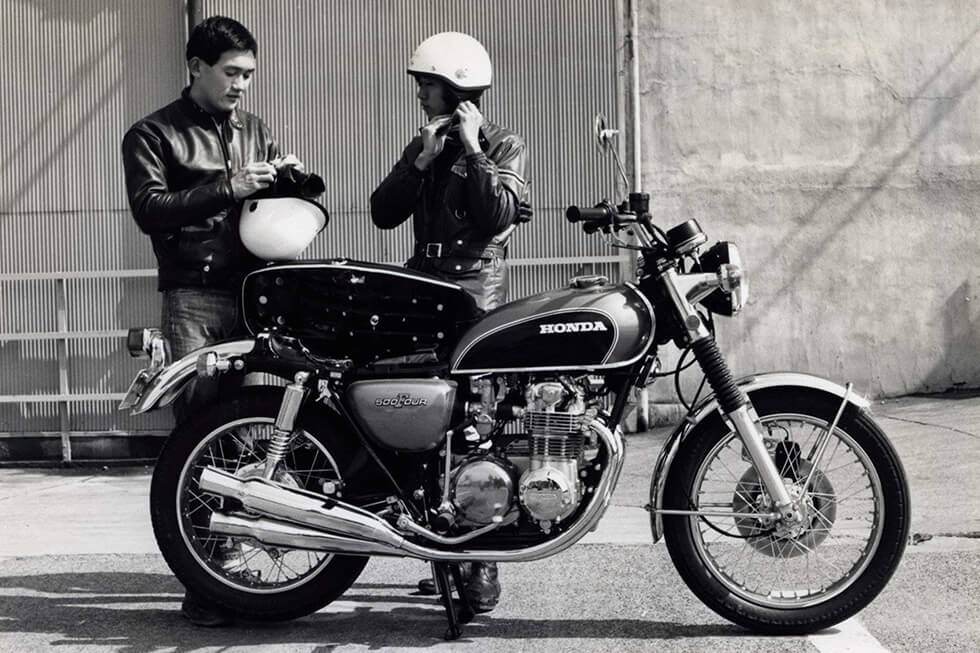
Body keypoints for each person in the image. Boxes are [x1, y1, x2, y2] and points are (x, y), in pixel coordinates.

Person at [122, 15, 303, 627]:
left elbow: (275, 198)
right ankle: (203, 581)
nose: (242, 86)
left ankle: (232, 558)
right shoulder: (152, 134)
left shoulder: (255, 129)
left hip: (252, 293)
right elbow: (151, 211)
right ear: (196, 67)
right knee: (199, 427)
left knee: (250, 428)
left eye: (249, 74)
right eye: (231, 73)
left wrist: (295, 178)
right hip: (193, 297)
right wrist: (230, 186)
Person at [370, 31, 530, 613]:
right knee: (422, 419)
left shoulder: (504, 145)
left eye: (428, 84)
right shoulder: (426, 145)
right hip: (423, 288)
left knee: (474, 423)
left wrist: (473, 149)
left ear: (458, 87)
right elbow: (382, 213)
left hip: (474, 293)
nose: (420, 93)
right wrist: (419, 162)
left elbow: (496, 216)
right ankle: (436, 541)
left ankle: (479, 557)